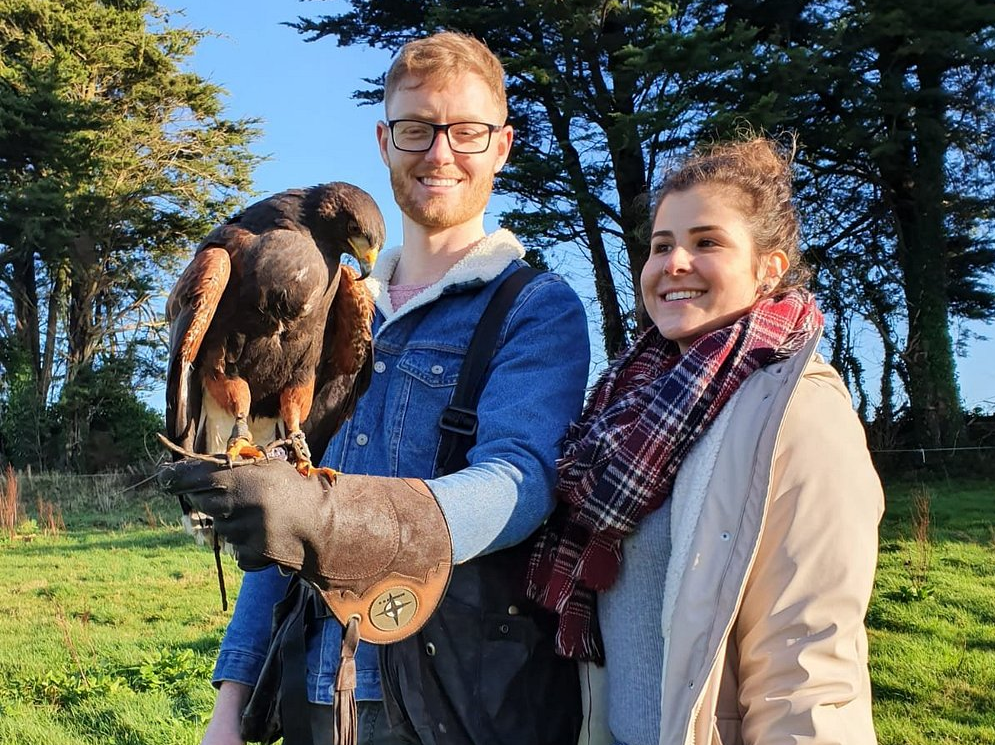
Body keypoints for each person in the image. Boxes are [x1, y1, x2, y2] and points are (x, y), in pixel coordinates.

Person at [165, 31, 589, 745]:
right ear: (385, 140)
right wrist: (230, 700)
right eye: (417, 129)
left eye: (468, 132)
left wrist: (341, 517)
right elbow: (284, 508)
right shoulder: (338, 303)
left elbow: (520, 483)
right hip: (314, 688)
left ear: (503, 145)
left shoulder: (535, 307)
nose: (440, 152)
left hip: (450, 702)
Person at [525, 138, 884, 745]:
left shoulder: (799, 411)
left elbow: (808, 665)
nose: (675, 263)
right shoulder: (630, 398)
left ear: (769, 268)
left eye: (707, 242)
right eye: (662, 245)